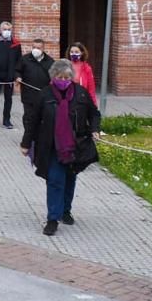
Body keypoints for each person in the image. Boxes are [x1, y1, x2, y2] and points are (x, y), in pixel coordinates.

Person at [31, 59, 100, 236]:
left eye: (67, 77)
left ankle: (65, 211)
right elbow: (33, 121)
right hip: (52, 145)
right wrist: (26, 143)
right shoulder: (45, 95)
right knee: (55, 179)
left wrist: (94, 129)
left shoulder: (81, 94)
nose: (63, 80)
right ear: (53, 77)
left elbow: (94, 114)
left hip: (75, 145)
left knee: (70, 178)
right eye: (60, 77)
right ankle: (52, 219)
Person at [16, 39, 55, 157]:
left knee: (41, 117)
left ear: (43, 49)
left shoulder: (50, 61)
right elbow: (17, 70)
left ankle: (38, 136)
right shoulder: (25, 59)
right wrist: (18, 77)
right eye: (34, 47)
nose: (35, 50)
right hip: (28, 94)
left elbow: (54, 77)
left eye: (38, 47)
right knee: (28, 116)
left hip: (43, 95)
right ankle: (29, 137)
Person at [0, 21, 21, 129]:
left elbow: (18, 62)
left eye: (9, 29)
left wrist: (17, 75)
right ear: (0, 30)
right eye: (5, 29)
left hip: (9, 75)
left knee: (8, 98)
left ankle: (6, 119)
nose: (7, 31)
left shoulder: (16, 44)